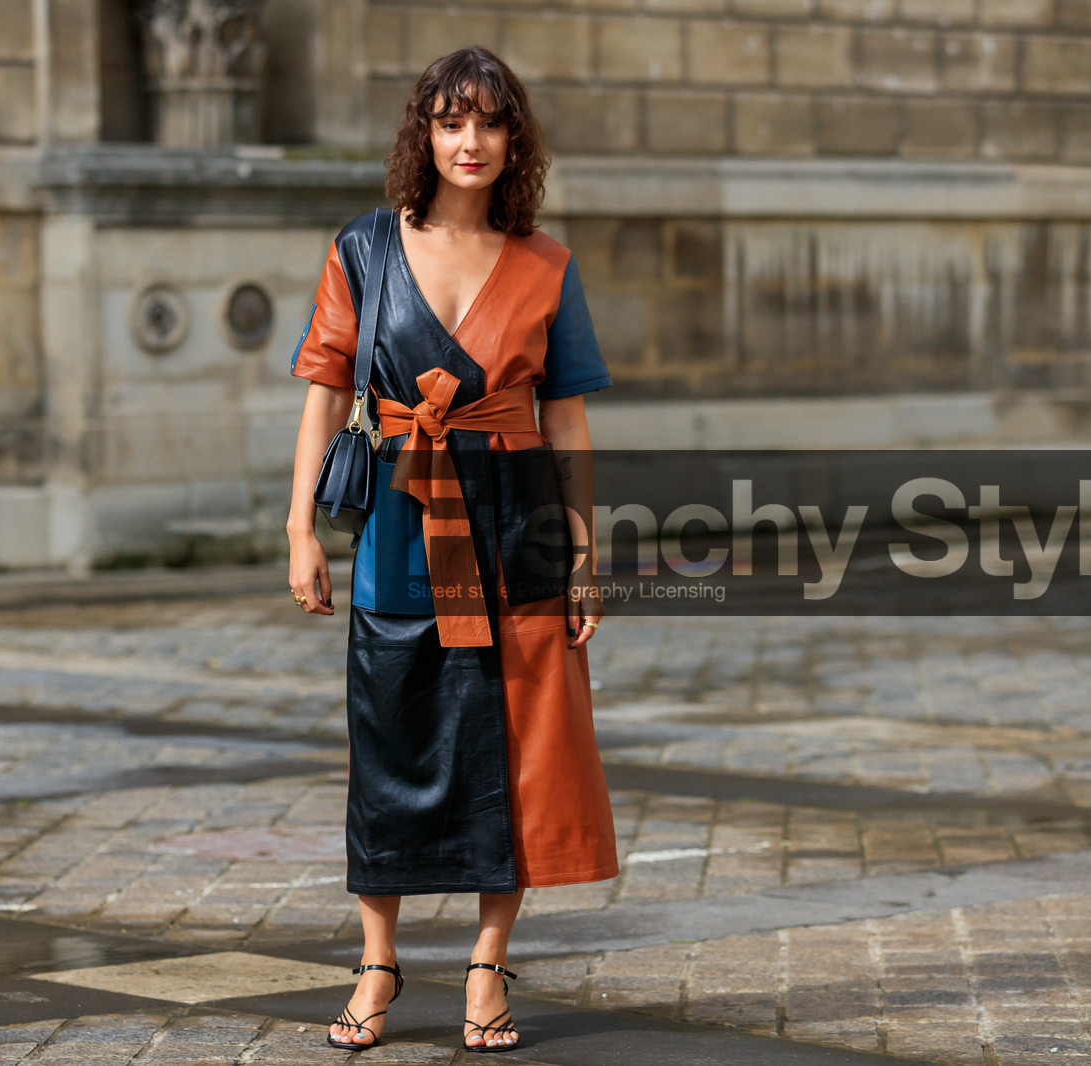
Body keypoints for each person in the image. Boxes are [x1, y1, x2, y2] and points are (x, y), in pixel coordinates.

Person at [284, 45, 618, 1054]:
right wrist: (300, 526)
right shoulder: (362, 249)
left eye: (488, 123)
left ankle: (485, 966)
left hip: (515, 524)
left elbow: (566, 425)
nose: (468, 142)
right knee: (388, 742)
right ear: (422, 135)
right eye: (448, 121)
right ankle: (377, 963)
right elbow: (325, 393)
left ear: (514, 139)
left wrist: (583, 548)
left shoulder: (547, 264)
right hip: (397, 530)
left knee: (514, 752)